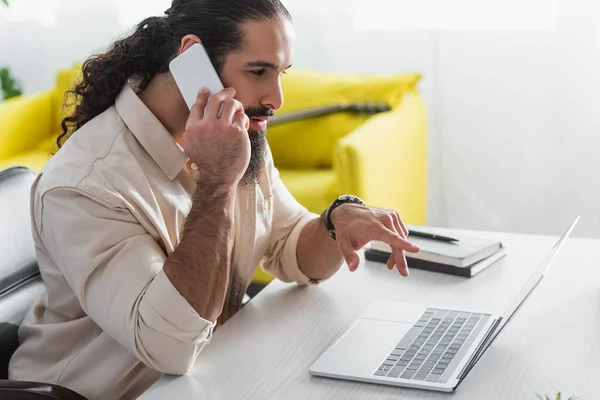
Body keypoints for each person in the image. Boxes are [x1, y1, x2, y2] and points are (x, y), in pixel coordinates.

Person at [8, 0, 420, 398]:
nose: (276, 98)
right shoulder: (86, 183)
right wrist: (218, 184)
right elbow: (169, 344)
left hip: (215, 374)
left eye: (281, 73)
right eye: (258, 71)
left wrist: (335, 223)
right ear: (192, 59)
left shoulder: (236, 134)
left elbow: (291, 247)